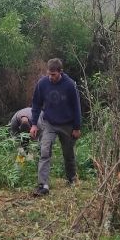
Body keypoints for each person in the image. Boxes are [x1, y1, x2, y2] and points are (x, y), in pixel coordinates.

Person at [29, 58, 81, 196]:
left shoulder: (70, 85)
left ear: (60, 72)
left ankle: (71, 178)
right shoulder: (42, 83)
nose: (51, 77)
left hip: (67, 124)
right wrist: (33, 124)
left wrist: (77, 127)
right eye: (49, 74)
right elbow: (36, 104)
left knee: (68, 153)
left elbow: (76, 106)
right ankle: (43, 185)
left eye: (54, 74)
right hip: (49, 123)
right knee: (44, 152)